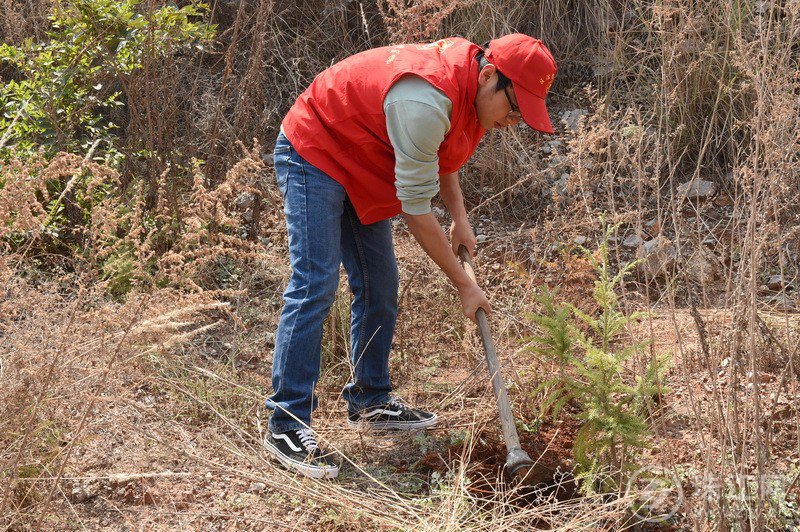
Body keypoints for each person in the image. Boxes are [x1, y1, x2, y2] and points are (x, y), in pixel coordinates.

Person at [263, 33, 557, 479]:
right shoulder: (424, 99)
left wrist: (460, 217)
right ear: (491, 75)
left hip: (365, 160)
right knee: (316, 283)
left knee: (380, 284)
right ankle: (287, 423)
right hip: (317, 149)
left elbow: (445, 154)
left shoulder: (472, 90)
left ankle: (370, 399)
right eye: (515, 108)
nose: (515, 121)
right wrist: (464, 283)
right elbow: (416, 211)